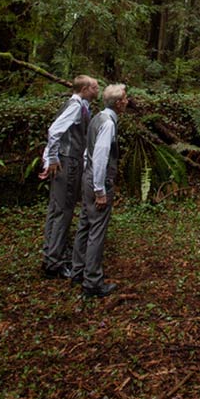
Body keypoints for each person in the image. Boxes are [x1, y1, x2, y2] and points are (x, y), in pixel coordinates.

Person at [71, 83, 128, 298]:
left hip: (89, 177)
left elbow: (88, 152)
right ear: (119, 102)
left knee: (85, 224)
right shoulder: (108, 124)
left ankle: (78, 270)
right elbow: (101, 156)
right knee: (97, 230)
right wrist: (100, 189)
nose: (127, 101)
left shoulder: (97, 117)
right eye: (125, 98)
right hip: (98, 180)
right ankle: (92, 281)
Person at [40, 74, 99, 278]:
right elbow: (54, 131)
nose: (97, 90)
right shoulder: (74, 106)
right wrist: (53, 159)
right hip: (68, 162)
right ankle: (53, 262)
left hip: (70, 160)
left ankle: (52, 253)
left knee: (58, 209)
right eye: (94, 87)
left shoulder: (80, 105)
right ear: (84, 89)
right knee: (63, 210)